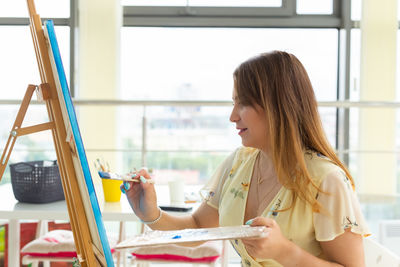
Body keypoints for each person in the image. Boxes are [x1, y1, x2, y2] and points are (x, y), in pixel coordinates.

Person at [121, 50, 370, 267]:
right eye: (233, 103)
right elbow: (198, 226)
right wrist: (150, 213)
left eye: (243, 104)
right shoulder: (239, 163)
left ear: (277, 106)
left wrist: (285, 253)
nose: (232, 116)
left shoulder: (326, 180)